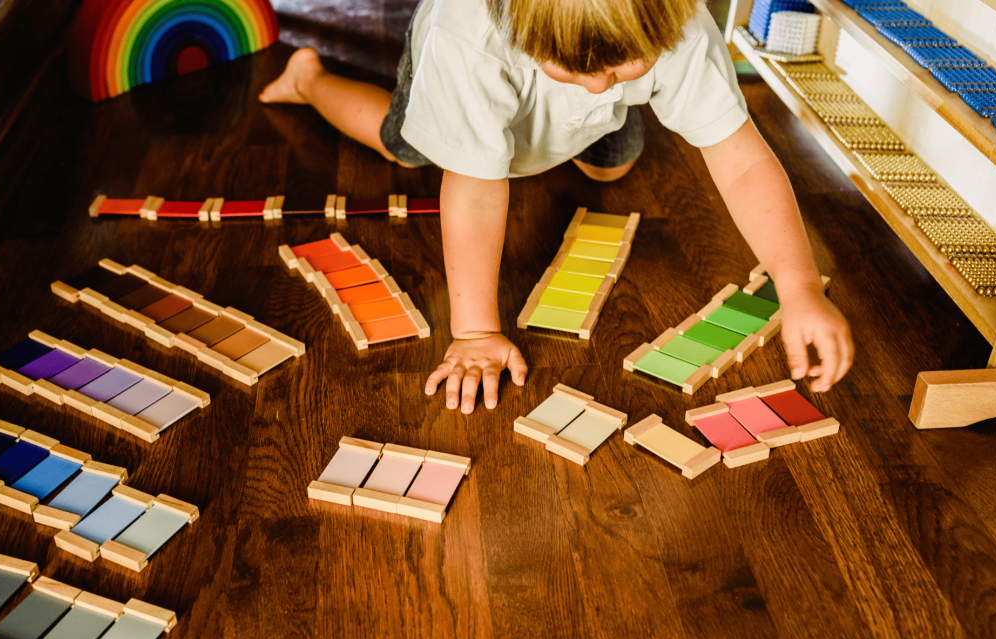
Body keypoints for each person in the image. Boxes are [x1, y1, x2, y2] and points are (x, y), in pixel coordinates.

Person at [260, 0, 854, 414]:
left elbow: (743, 160)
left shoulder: (682, 25)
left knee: (612, 162)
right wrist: (474, 332)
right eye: (574, 70)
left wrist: (798, 285)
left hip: (556, 98)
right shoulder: (469, 36)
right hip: (468, 75)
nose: (598, 86)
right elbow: (472, 191)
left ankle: (571, 128)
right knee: (404, 150)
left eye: (622, 69)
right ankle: (309, 79)